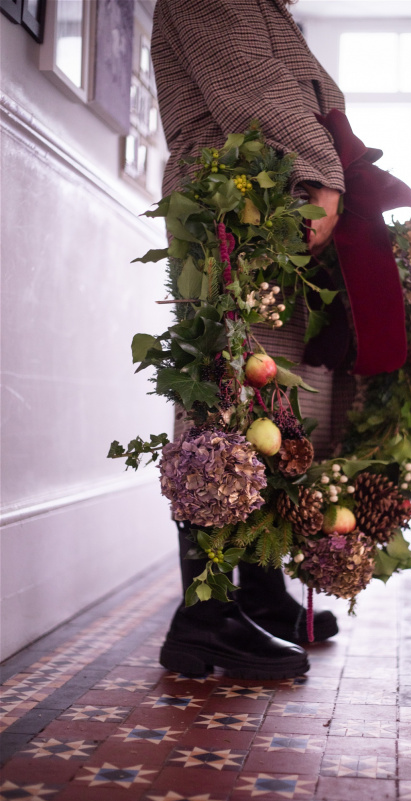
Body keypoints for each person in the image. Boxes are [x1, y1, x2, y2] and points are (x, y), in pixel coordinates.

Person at [151, 0, 351, 679]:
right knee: (228, 401)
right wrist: (320, 174)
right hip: (234, 200)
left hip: (260, 202)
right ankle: (203, 619)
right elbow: (252, 83)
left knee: (268, 408)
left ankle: (258, 594)